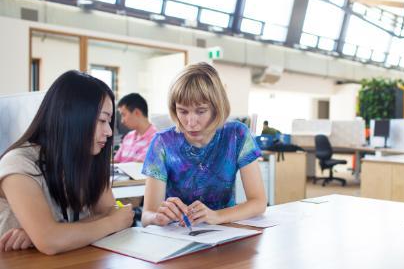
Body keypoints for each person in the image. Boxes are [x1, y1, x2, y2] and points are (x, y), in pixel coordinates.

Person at [0, 70, 134, 254]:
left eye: (109, 122)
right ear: (72, 119)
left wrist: (54, 233)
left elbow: (112, 213)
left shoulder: (87, 160)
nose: (109, 132)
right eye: (102, 120)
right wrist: (52, 234)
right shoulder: (18, 164)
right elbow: (51, 241)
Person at [141, 62, 267, 227]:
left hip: (224, 231)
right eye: (182, 111)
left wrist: (217, 216)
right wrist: (157, 218)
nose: (190, 122)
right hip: (178, 235)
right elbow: (146, 215)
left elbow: (258, 202)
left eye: (201, 111)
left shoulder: (237, 135)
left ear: (217, 107)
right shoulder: (162, 143)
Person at [114, 93, 157, 163]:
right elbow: (116, 161)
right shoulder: (128, 136)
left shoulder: (157, 139)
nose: (122, 121)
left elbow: (139, 167)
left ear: (137, 112)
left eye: (123, 115)